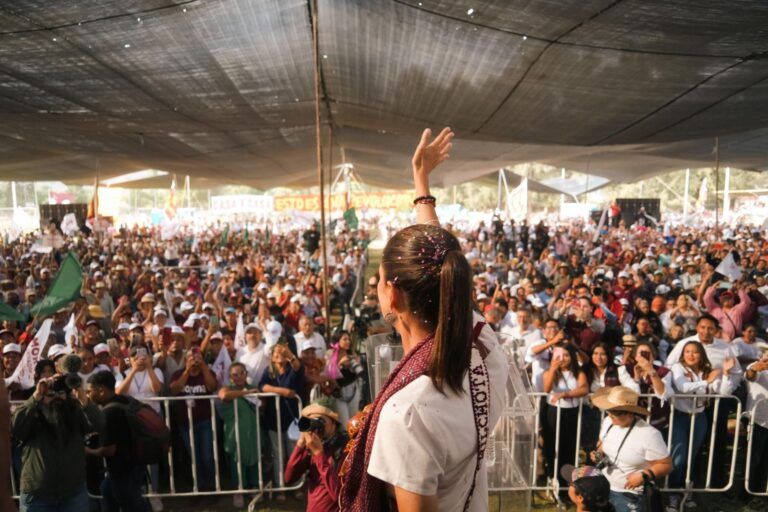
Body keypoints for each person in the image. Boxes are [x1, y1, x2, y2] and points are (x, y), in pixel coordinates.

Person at [339, 127, 509, 511]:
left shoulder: (408, 415)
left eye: (378, 281)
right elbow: (440, 262)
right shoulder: (484, 346)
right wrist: (421, 184)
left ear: (393, 296)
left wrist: (423, 181)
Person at [11, 372, 96, 512]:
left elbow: (98, 424)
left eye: (60, 393)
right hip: (37, 495)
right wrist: (35, 397)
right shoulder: (32, 414)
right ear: (41, 398)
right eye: (50, 395)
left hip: (73, 494)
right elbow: (16, 427)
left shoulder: (75, 412)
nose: (56, 398)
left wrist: (83, 399)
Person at [667, 341, 733, 511]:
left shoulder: (706, 372)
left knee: (692, 457)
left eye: (695, 352)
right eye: (687, 351)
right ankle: (673, 495)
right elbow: (683, 387)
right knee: (679, 458)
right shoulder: (677, 368)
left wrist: (725, 374)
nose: (691, 355)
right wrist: (706, 382)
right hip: (680, 417)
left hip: (700, 418)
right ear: (682, 354)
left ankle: (687, 491)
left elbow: (723, 392)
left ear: (701, 355)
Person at [591, 386, 672, 512]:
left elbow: (666, 465)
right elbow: (602, 441)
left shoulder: (649, 434)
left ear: (630, 412)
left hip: (630, 495)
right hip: (604, 487)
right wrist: (598, 452)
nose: (610, 415)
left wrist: (643, 476)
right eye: (608, 410)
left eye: (616, 412)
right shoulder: (608, 422)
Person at [86, 370, 148, 512]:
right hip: (136, 463)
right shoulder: (126, 400)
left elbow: (109, 450)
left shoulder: (109, 412)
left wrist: (88, 451)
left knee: (131, 505)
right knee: (106, 490)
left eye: (90, 391)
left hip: (122, 469)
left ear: (101, 390)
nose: (89, 395)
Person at [259, 343, 304, 502]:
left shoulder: (293, 369)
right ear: (271, 357)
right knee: (278, 456)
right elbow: (262, 387)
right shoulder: (269, 372)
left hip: (291, 421)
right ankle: (281, 489)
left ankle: (295, 485)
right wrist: (282, 391)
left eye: (282, 351)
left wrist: (290, 355)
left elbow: (299, 366)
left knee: (293, 454)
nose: (279, 354)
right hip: (274, 421)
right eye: (276, 352)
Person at [284, 399, 348, 512]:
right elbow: (289, 478)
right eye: (311, 420)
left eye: (320, 421)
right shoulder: (312, 445)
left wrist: (319, 454)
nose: (316, 427)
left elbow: (339, 495)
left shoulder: (344, 447)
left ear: (334, 423)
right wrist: (300, 445)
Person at [169, 347, 218, 491]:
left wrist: (203, 368)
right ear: (185, 360)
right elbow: (174, 390)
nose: (194, 360)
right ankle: (199, 486)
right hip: (186, 424)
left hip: (205, 422)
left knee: (207, 456)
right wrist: (186, 371)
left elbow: (213, 386)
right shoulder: (177, 374)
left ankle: (211, 485)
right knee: (194, 457)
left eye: (197, 357)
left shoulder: (207, 372)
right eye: (190, 357)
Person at [543, 344, 588, 489]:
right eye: (559, 356)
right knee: (552, 446)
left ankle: (567, 481)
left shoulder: (578, 372)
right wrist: (553, 368)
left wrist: (565, 394)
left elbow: (584, 389)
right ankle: (552, 477)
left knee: (569, 447)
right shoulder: (549, 372)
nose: (563, 359)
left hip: (572, 413)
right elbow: (546, 388)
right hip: (554, 412)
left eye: (567, 355)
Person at [218, 362, 261, 509]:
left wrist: (256, 396)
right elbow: (223, 396)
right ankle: (238, 491)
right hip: (235, 433)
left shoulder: (253, 387)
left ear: (246, 374)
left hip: (252, 432)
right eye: (235, 374)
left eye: (241, 373)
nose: (239, 377)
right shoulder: (228, 388)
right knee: (237, 461)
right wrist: (245, 394)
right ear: (230, 377)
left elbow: (263, 404)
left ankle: (253, 488)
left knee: (254, 458)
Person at [324, 329, 363, 427]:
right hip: (338, 391)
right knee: (344, 423)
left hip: (353, 390)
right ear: (338, 340)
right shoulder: (330, 354)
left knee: (353, 422)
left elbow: (358, 372)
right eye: (345, 339)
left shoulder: (351, 354)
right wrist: (339, 364)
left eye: (349, 339)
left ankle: (353, 442)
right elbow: (327, 373)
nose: (348, 342)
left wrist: (356, 363)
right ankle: (345, 441)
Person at [744, 350, 768, 504]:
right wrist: (754, 369)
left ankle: (761, 495)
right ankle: (748, 493)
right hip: (757, 420)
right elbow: (750, 375)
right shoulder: (757, 366)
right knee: (754, 460)